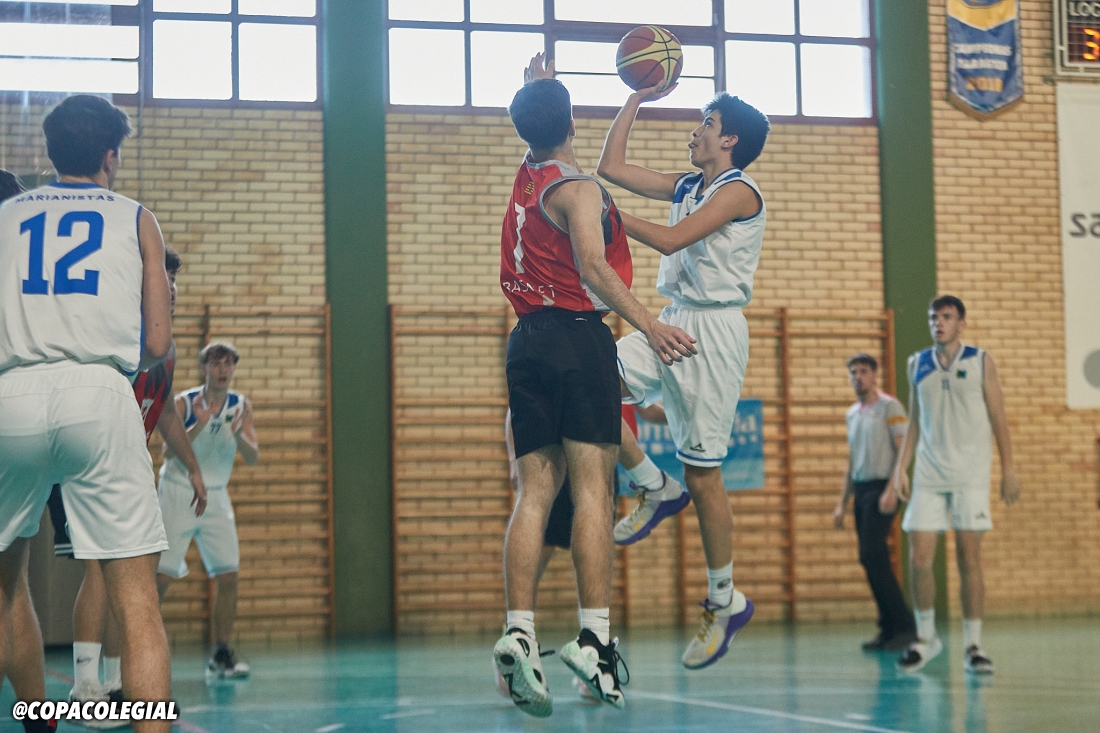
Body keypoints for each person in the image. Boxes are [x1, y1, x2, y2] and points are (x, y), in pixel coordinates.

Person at [494, 53, 696, 717]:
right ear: (572, 119)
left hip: (524, 343)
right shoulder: (577, 188)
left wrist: (535, 85)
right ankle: (595, 638)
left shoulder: (529, 175)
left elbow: (539, 120)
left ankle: (519, 630)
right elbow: (590, 264)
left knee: (533, 492)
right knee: (590, 491)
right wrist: (648, 323)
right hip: (579, 338)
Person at [0, 95, 174, 733]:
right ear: (110, 155)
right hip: (100, 397)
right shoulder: (136, 218)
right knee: (136, 604)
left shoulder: (6, 214)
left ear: (50, 153)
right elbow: (156, 345)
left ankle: (34, 721)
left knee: (4, 587)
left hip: (10, 396)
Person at [597, 82, 770, 669]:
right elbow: (610, 166)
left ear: (730, 139)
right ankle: (651, 483)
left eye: (705, 121)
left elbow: (670, 238)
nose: (694, 130)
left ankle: (725, 602)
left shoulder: (738, 191)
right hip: (670, 320)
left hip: (714, 336)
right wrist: (636, 94)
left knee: (705, 476)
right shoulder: (688, 184)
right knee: (589, 388)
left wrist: (605, 216)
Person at [46, 248, 206, 712]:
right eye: (164, 278)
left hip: (124, 470)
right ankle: (84, 686)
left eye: (175, 279)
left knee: (125, 574)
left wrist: (194, 467)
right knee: (100, 571)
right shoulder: (117, 334)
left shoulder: (165, 345)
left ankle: (116, 685)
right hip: (86, 465)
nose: (171, 287)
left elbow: (169, 415)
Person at [890, 296, 1020, 673]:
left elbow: (999, 416)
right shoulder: (917, 363)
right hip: (929, 475)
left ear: (961, 323)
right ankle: (926, 639)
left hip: (970, 476)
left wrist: (1009, 468)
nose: (939, 323)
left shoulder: (981, 362)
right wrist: (902, 468)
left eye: (947, 317)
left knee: (969, 560)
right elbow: (914, 421)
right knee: (919, 559)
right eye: (934, 317)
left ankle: (974, 645)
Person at [155, 341, 258, 679]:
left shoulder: (241, 406)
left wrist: (239, 434)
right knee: (160, 578)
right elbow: (168, 454)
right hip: (178, 491)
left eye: (228, 363)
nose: (223, 370)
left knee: (229, 576)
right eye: (216, 363)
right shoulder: (185, 403)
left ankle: (221, 654)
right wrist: (198, 423)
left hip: (216, 495)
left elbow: (253, 457)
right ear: (204, 368)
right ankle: (140, 646)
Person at [833, 353, 916, 652]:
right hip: (862, 489)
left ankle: (905, 628)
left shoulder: (889, 407)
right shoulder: (853, 413)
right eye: (853, 372)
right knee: (870, 558)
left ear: (875, 375)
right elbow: (852, 459)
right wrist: (842, 502)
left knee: (873, 553)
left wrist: (893, 488)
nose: (858, 376)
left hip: (884, 487)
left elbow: (902, 447)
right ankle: (889, 628)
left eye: (864, 371)